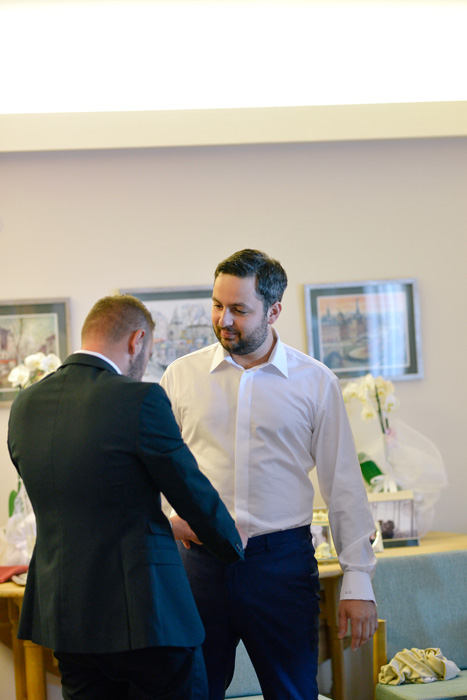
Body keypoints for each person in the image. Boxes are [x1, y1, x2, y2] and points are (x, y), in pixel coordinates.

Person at [160, 249, 378, 700]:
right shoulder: (180, 377)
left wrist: (358, 580)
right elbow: (154, 470)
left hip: (281, 566)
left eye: (239, 309)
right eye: (217, 305)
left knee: (293, 694)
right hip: (197, 565)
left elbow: (343, 485)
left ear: (274, 311)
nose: (224, 320)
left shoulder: (316, 382)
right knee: (190, 694)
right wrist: (169, 521)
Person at [7, 294, 244, 700]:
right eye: (148, 352)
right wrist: (232, 546)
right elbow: (191, 491)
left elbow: (83, 501)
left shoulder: (25, 404)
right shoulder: (139, 399)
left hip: (68, 615)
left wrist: (165, 525)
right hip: (145, 612)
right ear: (137, 340)